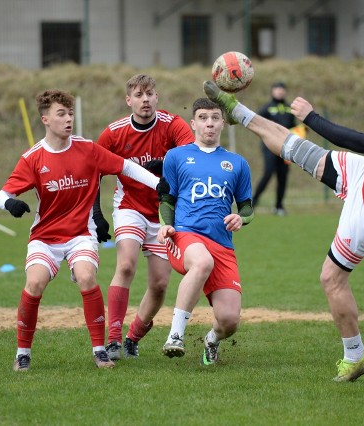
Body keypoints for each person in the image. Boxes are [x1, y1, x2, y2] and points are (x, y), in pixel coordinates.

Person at [204, 67, 364, 396]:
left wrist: (310, 116)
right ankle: (236, 110)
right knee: (292, 147)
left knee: (332, 277)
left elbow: (357, 140)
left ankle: (356, 355)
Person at [0, 89, 169, 372]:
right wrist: (10, 203)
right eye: (61, 114)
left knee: (87, 276)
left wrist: (156, 183)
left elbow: (126, 167)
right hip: (45, 237)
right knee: (35, 283)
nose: (68, 119)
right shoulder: (33, 157)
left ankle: (100, 351)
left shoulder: (87, 149)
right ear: (45, 120)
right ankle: (23, 353)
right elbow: (0, 195)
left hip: (81, 235)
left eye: (70, 113)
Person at [93, 74, 193, 361]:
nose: (145, 99)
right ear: (129, 100)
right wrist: (96, 212)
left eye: (149, 94)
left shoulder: (173, 125)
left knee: (160, 284)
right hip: (129, 207)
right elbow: (94, 171)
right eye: (138, 95)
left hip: (165, 213)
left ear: (157, 97)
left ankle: (132, 337)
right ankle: (112, 339)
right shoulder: (114, 133)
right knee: (125, 266)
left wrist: (168, 161)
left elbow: (192, 156)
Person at [157, 98, 253, 366]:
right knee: (202, 262)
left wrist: (241, 218)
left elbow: (247, 207)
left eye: (214, 117)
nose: (209, 123)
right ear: (193, 123)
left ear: (223, 122)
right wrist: (166, 224)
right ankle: (175, 335)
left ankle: (211, 339)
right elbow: (166, 199)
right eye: (203, 117)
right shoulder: (176, 156)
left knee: (229, 321)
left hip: (222, 244)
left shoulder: (237, 163)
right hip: (185, 236)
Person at [252, 82, 297, 216]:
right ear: (272, 91)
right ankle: (253, 203)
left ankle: (279, 207)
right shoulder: (267, 108)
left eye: (282, 89)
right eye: (277, 89)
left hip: (286, 148)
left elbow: (294, 128)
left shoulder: (289, 108)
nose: (280, 91)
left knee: (283, 176)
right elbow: (257, 125)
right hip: (269, 146)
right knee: (268, 173)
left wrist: (301, 131)